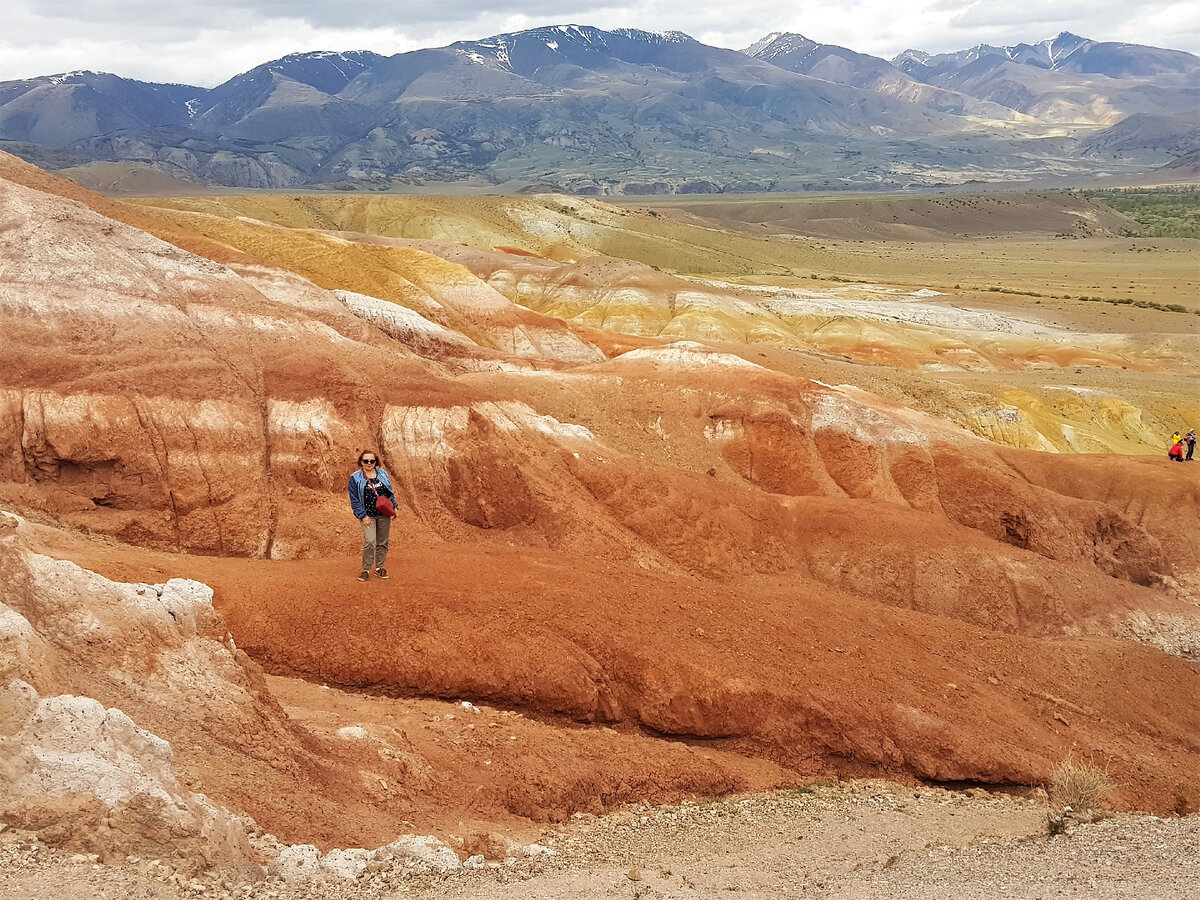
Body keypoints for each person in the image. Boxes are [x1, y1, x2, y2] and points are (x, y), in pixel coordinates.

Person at [348, 450, 395, 582]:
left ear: (376, 462)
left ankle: (379, 567)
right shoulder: (355, 478)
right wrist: (363, 516)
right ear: (361, 462)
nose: (369, 463)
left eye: (372, 461)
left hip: (383, 514)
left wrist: (394, 507)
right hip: (367, 516)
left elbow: (389, 492)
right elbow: (354, 500)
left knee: (383, 542)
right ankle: (366, 569)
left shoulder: (383, 474)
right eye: (366, 461)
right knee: (370, 541)